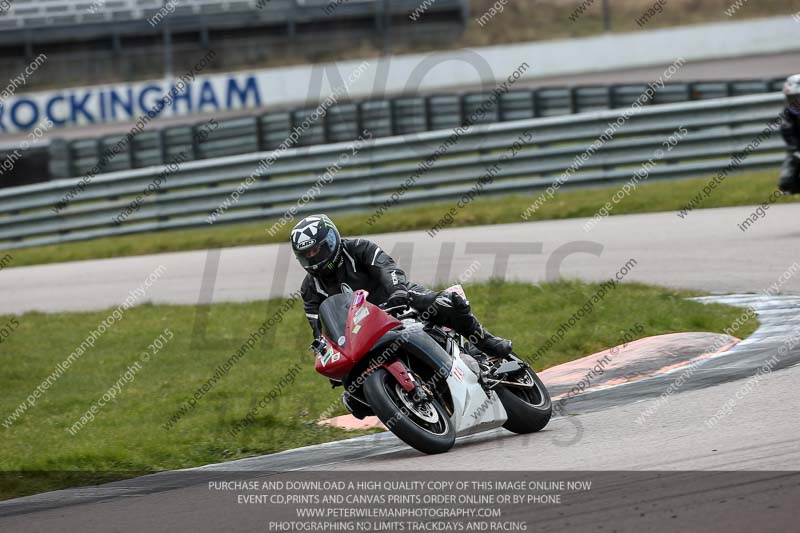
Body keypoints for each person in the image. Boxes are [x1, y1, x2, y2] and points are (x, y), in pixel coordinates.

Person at [290, 214, 512, 368]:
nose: (312, 257)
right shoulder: (310, 288)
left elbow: (388, 268)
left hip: (396, 302)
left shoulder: (358, 248)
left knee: (445, 302)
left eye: (316, 249)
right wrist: (325, 347)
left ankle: (485, 342)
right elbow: (318, 326)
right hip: (363, 332)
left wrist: (397, 292)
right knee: (351, 399)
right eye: (306, 254)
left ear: (330, 241)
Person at [779, 74, 800, 195]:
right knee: (786, 183)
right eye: (791, 99)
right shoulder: (789, 115)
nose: (794, 103)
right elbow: (788, 132)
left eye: (797, 98)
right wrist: (796, 151)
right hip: (798, 149)